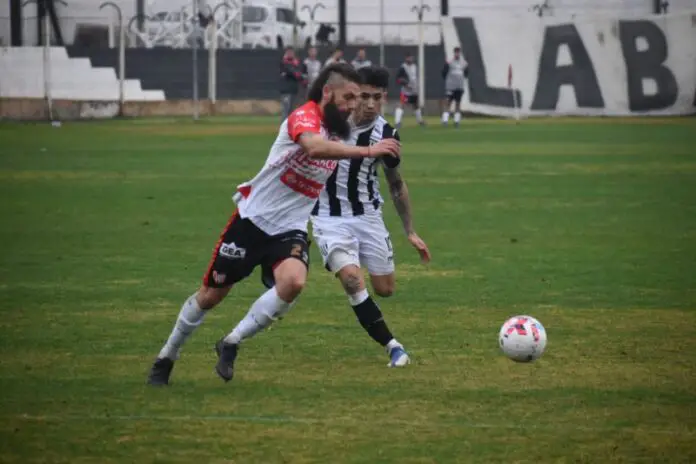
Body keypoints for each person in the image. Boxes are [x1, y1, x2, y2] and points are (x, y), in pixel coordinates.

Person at [147, 63, 401, 386]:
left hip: (290, 228)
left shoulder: (341, 130)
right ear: (327, 93)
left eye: (358, 98)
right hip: (253, 221)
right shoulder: (304, 116)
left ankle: (231, 342)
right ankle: (167, 357)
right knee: (210, 296)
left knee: (293, 282)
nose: (354, 105)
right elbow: (312, 146)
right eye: (348, 97)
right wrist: (367, 150)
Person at [310, 66, 431, 367]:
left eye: (377, 97)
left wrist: (410, 230)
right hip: (328, 217)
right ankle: (393, 346)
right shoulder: (329, 123)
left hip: (367, 215)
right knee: (353, 280)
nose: (370, 104)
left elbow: (396, 184)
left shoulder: (387, 135)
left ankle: (353, 259)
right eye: (364, 96)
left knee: (385, 289)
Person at [395, 52, 424, 128]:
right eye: (408, 57)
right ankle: (397, 122)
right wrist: (405, 84)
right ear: (406, 58)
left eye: (411, 57)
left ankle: (420, 121)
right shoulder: (403, 67)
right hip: (406, 91)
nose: (410, 59)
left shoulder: (415, 66)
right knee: (401, 104)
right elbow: (398, 79)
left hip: (414, 90)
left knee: (416, 105)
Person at [441, 46, 468, 127]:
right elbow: (443, 73)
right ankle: (445, 120)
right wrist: (449, 81)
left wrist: (461, 80)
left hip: (459, 86)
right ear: (454, 53)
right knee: (448, 102)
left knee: (458, 103)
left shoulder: (464, 63)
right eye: (456, 52)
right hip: (450, 86)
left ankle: (456, 121)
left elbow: (466, 73)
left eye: (458, 52)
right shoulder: (449, 62)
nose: (457, 54)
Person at [279, 47, 304, 121]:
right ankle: (284, 126)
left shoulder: (297, 63)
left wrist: (298, 74)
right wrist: (296, 74)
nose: (290, 54)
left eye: (291, 52)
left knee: (292, 110)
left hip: (294, 90)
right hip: (286, 90)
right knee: (286, 110)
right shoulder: (283, 62)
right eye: (289, 52)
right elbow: (291, 72)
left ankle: (290, 126)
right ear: (286, 53)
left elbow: (300, 73)